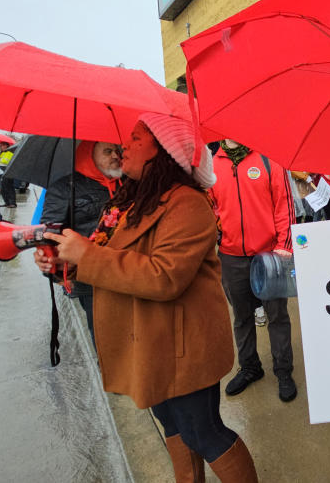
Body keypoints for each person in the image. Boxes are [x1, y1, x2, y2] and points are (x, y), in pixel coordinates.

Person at [34, 113, 258, 482]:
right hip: (149, 341)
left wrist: (86, 256)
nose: (124, 145)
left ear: (164, 151)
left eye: (136, 138)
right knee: (170, 422)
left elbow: (164, 276)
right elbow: (112, 255)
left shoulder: (186, 203)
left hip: (184, 346)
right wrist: (65, 263)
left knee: (203, 431)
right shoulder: (131, 200)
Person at [210, 138, 298, 401]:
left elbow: (284, 205)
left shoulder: (269, 160)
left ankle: (283, 370)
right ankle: (250, 367)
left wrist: (284, 246)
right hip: (231, 255)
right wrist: (218, 235)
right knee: (242, 316)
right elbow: (209, 207)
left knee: (277, 316)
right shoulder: (212, 166)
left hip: (269, 255)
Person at [40, 140, 122, 342]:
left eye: (118, 151)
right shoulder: (64, 188)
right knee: (106, 340)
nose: (116, 156)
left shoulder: (127, 183)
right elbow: (49, 235)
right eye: (108, 151)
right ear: (89, 154)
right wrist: (55, 273)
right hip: (90, 281)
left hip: (126, 272)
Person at [0, 141, 17, 208]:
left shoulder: (10, 152)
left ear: (7, 146)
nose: (1, 147)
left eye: (3, 145)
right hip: (1, 172)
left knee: (9, 188)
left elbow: (5, 161)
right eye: (1, 145)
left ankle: (13, 203)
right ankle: (7, 202)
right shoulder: (2, 153)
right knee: (3, 189)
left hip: (8, 171)